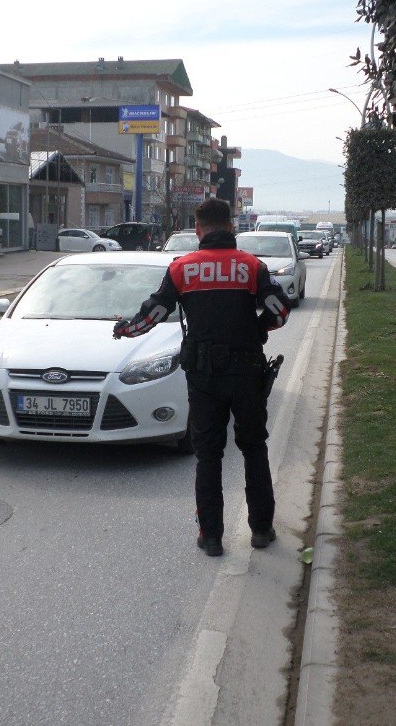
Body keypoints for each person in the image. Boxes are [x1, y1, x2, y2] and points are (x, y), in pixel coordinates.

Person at [113, 198, 291, 557]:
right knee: (254, 447)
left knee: (209, 455)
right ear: (231, 226)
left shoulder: (182, 268)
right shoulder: (252, 266)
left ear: (198, 229)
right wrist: (258, 330)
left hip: (204, 377)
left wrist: (125, 330)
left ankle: (211, 537)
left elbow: (153, 314)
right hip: (247, 372)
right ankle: (261, 529)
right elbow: (280, 310)